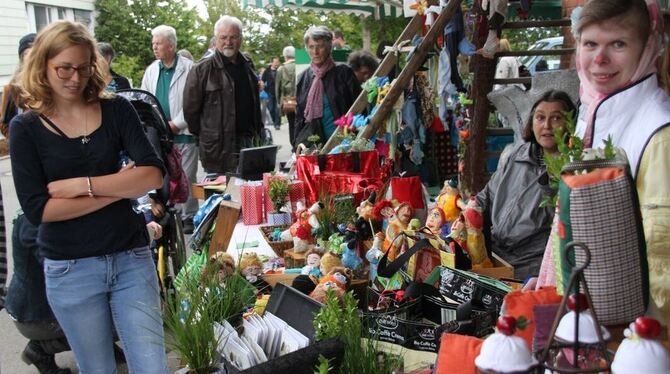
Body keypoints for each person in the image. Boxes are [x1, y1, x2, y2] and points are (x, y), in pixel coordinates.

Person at [9, 20, 168, 373]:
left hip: (130, 258)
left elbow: (152, 174)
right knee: (98, 369)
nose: (75, 78)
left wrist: (83, 185)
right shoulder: (27, 128)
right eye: (64, 68)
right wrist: (120, 187)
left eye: (83, 68)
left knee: (153, 367)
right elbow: (40, 210)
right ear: (43, 65)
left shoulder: (116, 109)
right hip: (70, 268)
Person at [537, 0, 670, 323]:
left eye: (618, 44)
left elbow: (662, 261)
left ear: (648, 46)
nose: (600, 59)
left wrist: (637, 345)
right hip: (589, 319)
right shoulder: (594, 111)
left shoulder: (659, 135)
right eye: (591, 44)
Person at [476, 90, 576, 280]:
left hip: (531, 269)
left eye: (556, 118)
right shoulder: (519, 154)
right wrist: (470, 210)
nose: (546, 126)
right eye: (540, 118)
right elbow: (487, 196)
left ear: (570, 124)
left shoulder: (571, 169)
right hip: (495, 256)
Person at [183, 15, 263, 174]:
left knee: (248, 194)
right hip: (217, 148)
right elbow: (190, 112)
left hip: (248, 143)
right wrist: (208, 136)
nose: (228, 42)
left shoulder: (248, 66)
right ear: (216, 39)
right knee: (219, 197)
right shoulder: (201, 70)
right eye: (223, 37)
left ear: (240, 39)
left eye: (233, 37)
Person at [141, 25, 197, 233]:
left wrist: (177, 123)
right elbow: (145, 98)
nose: (154, 47)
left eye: (158, 43)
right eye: (153, 43)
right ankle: (170, 210)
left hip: (183, 132)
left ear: (171, 45)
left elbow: (194, 102)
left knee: (187, 175)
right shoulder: (152, 70)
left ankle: (188, 215)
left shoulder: (190, 68)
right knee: (166, 175)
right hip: (159, 133)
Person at [294, 26, 361, 151]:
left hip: (342, 142)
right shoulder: (304, 77)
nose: (315, 52)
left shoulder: (343, 73)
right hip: (313, 144)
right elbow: (299, 117)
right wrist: (295, 145)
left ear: (329, 47)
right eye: (311, 47)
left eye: (320, 46)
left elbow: (359, 108)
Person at [276, 46, 297, 147]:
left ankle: (294, 146)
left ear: (285, 56)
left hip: (289, 102)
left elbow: (278, 89)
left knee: (292, 124)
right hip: (301, 101)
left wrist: (279, 103)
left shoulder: (281, 69)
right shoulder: (301, 65)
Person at [262, 56, 281, 129]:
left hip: (279, 93)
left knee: (277, 109)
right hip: (270, 92)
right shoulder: (266, 71)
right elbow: (262, 81)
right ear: (272, 63)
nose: (277, 64)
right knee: (271, 109)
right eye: (275, 62)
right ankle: (274, 121)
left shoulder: (280, 70)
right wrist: (264, 88)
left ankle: (277, 124)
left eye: (278, 62)